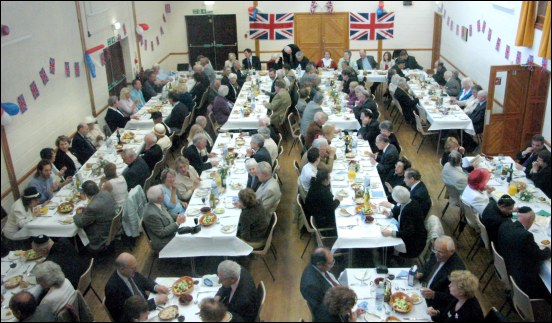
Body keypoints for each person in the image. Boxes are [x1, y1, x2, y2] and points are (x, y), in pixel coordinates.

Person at [497, 207, 551, 299]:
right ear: (530, 220)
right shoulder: (526, 236)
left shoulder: (506, 224)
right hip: (524, 279)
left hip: (509, 266)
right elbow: (540, 255)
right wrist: (549, 248)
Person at [105, 252, 169, 322]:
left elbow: (144, 281)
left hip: (147, 308)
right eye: (133, 268)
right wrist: (154, 302)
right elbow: (126, 315)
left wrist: (156, 287)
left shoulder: (130, 272)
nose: (136, 270)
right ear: (122, 269)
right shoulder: (112, 289)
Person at [416, 235, 466, 308]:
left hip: (433, 304)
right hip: (420, 289)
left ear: (451, 252)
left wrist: (434, 295)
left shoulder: (457, 270)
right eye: (435, 250)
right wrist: (420, 273)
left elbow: (452, 297)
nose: (436, 254)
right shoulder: (436, 252)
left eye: (441, 252)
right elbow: (426, 266)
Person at [381, 186, 427, 259]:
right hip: (415, 235)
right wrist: (389, 214)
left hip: (413, 243)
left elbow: (408, 232)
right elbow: (399, 209)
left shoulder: (408, 212)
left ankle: (390, 258)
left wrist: (391, 233)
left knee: (384, 244)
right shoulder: (409, 201)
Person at [74, 180, 116, 252]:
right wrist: (86, 210)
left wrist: (77, 214)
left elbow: (81, 223)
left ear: (86, 194)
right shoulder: (106, 194)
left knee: (78, 232)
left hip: (101, 236)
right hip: (112, 228)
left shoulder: (92, 207)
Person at [300, 247, 340, 322]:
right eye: (331, 263)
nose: (333, 264)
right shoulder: (311, 286)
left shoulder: (317, 267)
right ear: (319, 265)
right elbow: (322, 314)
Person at [142, 185, 186, 252]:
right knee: (187, 237)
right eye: (163, 193)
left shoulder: (157, 202)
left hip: (170, 231)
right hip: (164, 242)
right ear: (159, 198)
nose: (165, 194)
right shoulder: (150, 214)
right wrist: (177, 223)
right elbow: (161, 233)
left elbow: (167, 213)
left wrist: (178, 216)